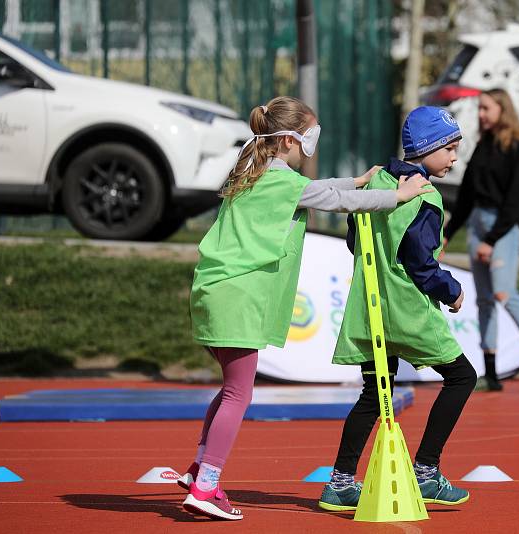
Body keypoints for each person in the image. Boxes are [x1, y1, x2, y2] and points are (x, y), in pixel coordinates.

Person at [179, 96, 433, 521]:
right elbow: (334, 202)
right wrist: (397, 194)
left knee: (229, 388)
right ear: (287, 141)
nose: (310, 149)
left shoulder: (250, 169)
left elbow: (322, 190)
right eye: (309, 139)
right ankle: (207, 485)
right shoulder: (282, 183)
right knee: (240, 393)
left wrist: (356, 179)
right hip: (237, 296)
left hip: (212, 291)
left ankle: (198, 471)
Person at [319, 106, 476, 512]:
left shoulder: (378, 183)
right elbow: (420, 264)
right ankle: (426, 472)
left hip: (370, 306)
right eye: (451, 149)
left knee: (373, 394)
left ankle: (339, 482)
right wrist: (451, 289)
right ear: (427, 150)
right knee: (462, 377)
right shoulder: (425, 197)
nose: (455, 158)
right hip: (407, 308)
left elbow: (356, 242)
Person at [443, 88, 519, 394]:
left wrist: (492, 239)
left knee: (504, 294)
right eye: (480, 109)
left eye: (486, 108)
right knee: (484, 300)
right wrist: (447, 234)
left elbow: (517, 201)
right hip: (478, 225)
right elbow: (467, 195)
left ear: (502, 110)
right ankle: (491, 374)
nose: (481, 114)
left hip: (503, 227)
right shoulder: (484, 146)